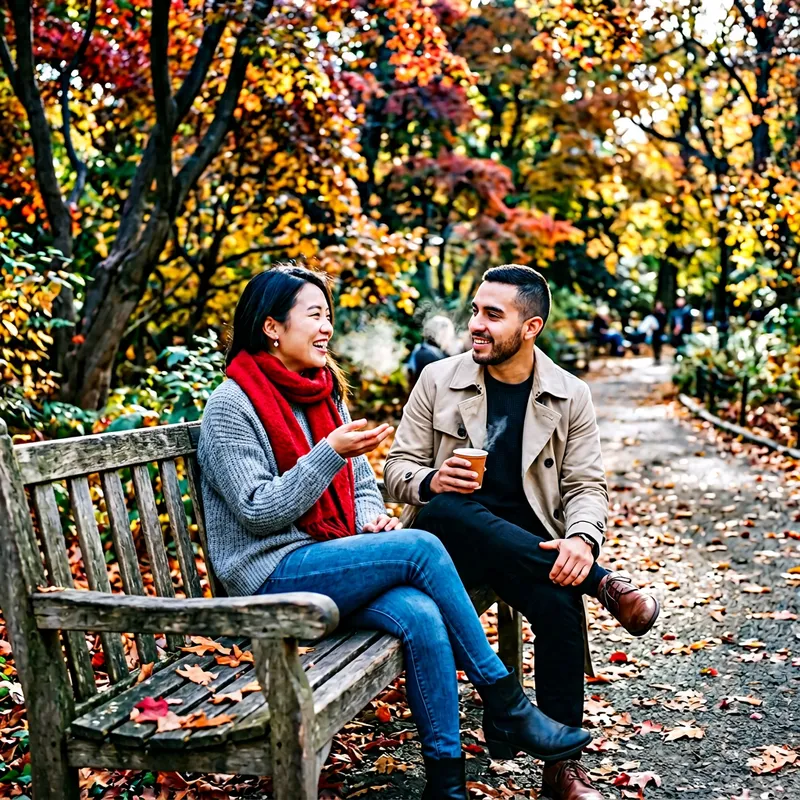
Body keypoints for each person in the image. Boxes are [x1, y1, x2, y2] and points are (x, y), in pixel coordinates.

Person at [197, 266, 591, 800]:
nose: (326, 329)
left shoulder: (322, 393)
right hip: (268, 576)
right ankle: (506, 702)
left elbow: (361, 486)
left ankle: (446, 784)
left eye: (328, 317)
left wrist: (368, 519)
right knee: (422, 545)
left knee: (419, 612)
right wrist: (329, 454)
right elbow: (257, 511)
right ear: (271, 327)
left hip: (324, 560)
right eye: (314, 316)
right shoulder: (231, 406)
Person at [385, 265, 660, 800]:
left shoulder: (568, 394)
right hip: (447, 552)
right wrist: (432, 478)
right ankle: (603, 584)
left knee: (559, 606)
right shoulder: (438, 380)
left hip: (522, 549)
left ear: (530, 328)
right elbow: (397, 471)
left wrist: (581, 539)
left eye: (493, 314)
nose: (476, 325)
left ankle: (561, 769)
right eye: (474, 312)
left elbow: (586, 485)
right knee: (443, 509)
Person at [408, 315, 459, 387]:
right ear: (440, 332)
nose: (449, 338)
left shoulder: (424, 350)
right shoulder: (427, 355)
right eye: (447, 334)